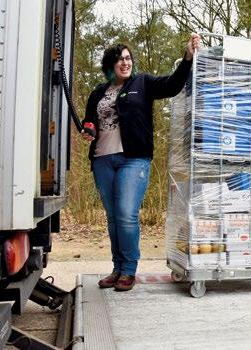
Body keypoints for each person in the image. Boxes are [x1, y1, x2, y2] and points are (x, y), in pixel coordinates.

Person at [81, 33, 201, 291]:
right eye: (119, 59)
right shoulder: (98, 92)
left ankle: (129, 270)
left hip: (133, 160)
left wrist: (188, 58)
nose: (125, 63)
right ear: (110, 65)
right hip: (102, 159)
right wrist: (88, 129)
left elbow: (172, 85)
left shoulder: (143, 83)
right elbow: (90, 120)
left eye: (128, 58)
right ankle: (117, 267)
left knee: (126, 214)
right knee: (112, 218)